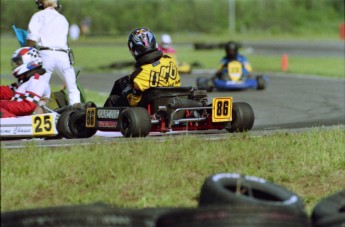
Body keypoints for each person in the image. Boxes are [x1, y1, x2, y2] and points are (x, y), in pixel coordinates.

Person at [104, 28, 181, 108]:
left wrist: (128, 95)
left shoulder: (139, 76)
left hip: (150, 109)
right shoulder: (171, 61)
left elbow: (133, 103)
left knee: (112, 99)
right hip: (173, 103)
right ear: (154, 43)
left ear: (134, 50)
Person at [26, 0, 81, 105]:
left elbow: (32, 38)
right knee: (72, 89)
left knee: (40, 88)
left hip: (46, 54)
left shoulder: (38, 16)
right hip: (63, 55)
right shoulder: (63, 18)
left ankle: (40, 113)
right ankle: (77, 115)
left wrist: (26, 50)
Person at [0, 47, 50, 118]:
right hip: (20, 117)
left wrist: (2, 104)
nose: (16, 65)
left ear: (31, 62)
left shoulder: (37, 80)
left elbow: (27, 107)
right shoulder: (26, 81)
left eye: (19, 62)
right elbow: (7, 92)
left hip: (29, 120)